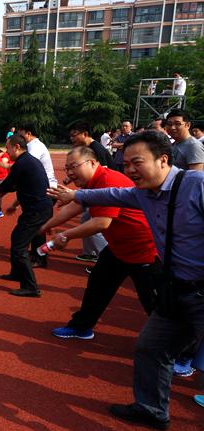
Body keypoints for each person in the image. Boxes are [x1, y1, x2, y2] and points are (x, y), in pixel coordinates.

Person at [49, 130, 204, 430]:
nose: (130, 169)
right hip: (175, 289)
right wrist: (75, 195)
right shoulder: (142, 193)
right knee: (150, 348)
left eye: (137, 162)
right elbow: (110, 195)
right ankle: (151, 410)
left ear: (163, 160)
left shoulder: (197, 185)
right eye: (126, 163)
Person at [41, 146, 158, 339]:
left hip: (143, 250)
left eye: (74, 167)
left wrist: (66, 235)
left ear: (93, 163)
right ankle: (81, 327)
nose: (69, 173)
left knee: (154, 302)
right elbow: (76, 205)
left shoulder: (108, 180)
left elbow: (102, 222)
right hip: (118, 247)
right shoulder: (92, 182)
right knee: (98, 286)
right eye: (67, 168)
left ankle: (176, 347)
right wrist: (47, 226)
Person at [0, 134, 52, 297]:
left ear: (17, 147)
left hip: (37, 210)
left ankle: (30, 287)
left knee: (19, 246)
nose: (6, 152)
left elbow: (6, 186)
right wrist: (14, 205)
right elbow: (22, 186)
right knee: (17, 239)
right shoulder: (27, 161)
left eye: (8, 148)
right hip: (37, 208)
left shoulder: (23, 163)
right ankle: (16, 273)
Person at [68, 122, 113, 263]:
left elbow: (103, 175)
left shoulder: (96, 149)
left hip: (106, 193)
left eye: (74, 135)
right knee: (85, 221)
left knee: (93, 226)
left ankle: (105, 261)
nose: (72, 138)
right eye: (70, 136)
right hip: (98, 192)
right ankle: (90, 253)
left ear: (85, 134)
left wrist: (84, 194)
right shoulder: (89, 149)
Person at [17, 124, 57, 268]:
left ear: (28, 133)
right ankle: (36, 253)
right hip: (42, 190)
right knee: (36, 223)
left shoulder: (35, 147)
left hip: (46, 190)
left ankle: (39, 257)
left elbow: (25, 165)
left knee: (36, 224)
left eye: (21, 134)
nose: (19, 138)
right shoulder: (32, 146)